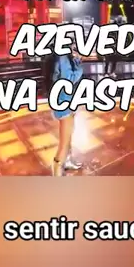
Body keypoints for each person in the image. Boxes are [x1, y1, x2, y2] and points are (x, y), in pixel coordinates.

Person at [44, 46, 84, 176]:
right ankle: (57, 170)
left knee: (68, 135)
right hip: (64, 102)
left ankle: (67, 161)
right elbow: (69, 80)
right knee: (64, 143)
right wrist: (79, 64)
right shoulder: (63, 58)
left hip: (63, 100)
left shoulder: (59, 56)